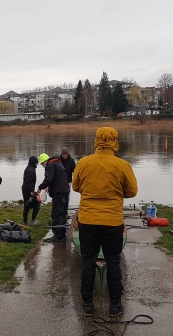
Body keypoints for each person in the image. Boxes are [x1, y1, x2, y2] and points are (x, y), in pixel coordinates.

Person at [72, 127, 138, 318]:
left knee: (88, 262)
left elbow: (76, 186)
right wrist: (117, 192)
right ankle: (115, 306)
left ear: (97, 141)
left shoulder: (84, 163)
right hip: (112, 222)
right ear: (115, 141)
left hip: (88, 220)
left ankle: (87, 305)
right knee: (113, 262)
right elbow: (132, 191)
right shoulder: (122, 165)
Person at [37, 153, 70, 242]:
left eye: (42, 164)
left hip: (59, 193)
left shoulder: (50, 165)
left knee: (57, 214)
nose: (43, 166)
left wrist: (40, 187)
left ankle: (58, 236)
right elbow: (56, 179)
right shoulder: (58, 163)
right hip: (65, 191)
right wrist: (49, 187)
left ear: (45, 161)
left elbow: (48, 179)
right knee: (63, 214)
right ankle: (62, 234)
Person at [21, 156, 41, 226]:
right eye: (36, 163)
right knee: (35, 204)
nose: (37, 164)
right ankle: (32, 220)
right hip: (27, 190)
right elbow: (27, 182)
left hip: (25, 189)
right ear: (34, 163)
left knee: (27, 205)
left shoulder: (29, 168)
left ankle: (25, 221)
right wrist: (31, 191)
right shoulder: (31, 171)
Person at [59, 146, 76, 215]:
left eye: (66, 154)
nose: (64, 156)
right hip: (60, 181)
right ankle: (61, 209)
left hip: (68, 181)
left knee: (67, 196)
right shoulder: (59, 160)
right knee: (60, 195)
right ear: (61, 154)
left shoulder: (71, 160)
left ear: (68, 154)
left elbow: (74, 170)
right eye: (63, 154)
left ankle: (65, 210)